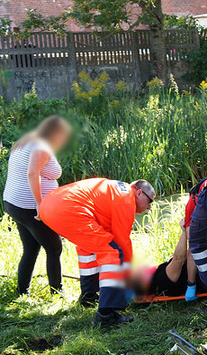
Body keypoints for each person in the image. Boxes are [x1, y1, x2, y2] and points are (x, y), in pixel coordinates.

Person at [39, 178, 155, 326]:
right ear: (139, 193)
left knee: (89, 248)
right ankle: (106, 315)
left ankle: (89, 297)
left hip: (49, 206)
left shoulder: (118, 190)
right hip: (68, 209)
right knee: (113, 252)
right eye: (150, 201)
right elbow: (122, 242)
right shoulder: (127, 201)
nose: (149, 208)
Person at [2, 115, 71, 295]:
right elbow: (32, 173)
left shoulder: (27, 141)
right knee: (54, 247)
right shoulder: (41, 147)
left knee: (31, 247)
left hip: (14, 203)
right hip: (28, 207)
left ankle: (22, 290)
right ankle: (57, 292)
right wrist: (40, 204)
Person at [129, 222, 205, 299]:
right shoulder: (162, 279)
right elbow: (179, 259)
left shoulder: (160, 284)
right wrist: (184, 231)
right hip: (205, 271)